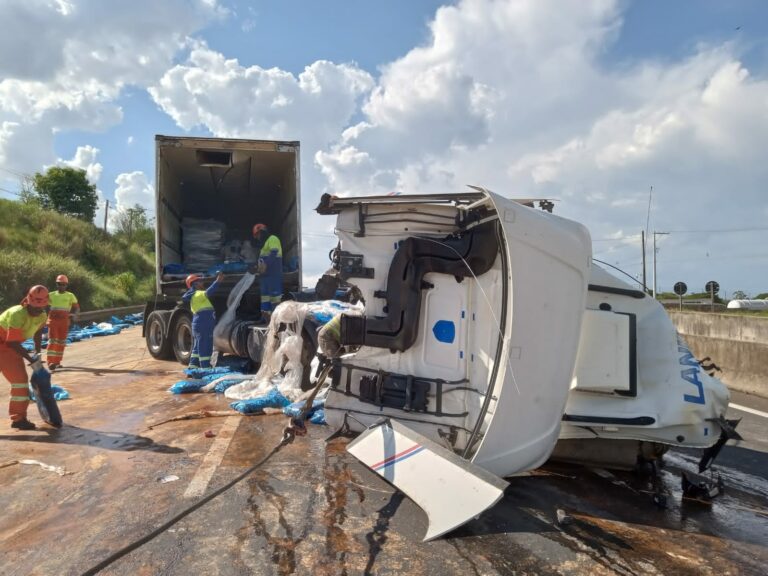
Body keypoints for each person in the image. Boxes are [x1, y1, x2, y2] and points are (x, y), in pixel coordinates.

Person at [0, 286, 49, 430]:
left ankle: (19, 419)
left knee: (20, 383)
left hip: (9, 351)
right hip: (9, 345)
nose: (37, 311)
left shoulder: (42, 316)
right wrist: (30, 359)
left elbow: (38, 334)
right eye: (35, 307)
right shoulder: (17, 314)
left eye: (41, 308)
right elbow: (13, 342)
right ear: (28, 302)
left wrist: (37, 353)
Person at [182, 271, 224, 368]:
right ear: (195, 284)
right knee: (205, 346)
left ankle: (192, 367)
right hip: (203, 324)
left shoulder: (194, 295)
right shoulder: (197, 294)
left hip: (199, 324)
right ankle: (205, 367)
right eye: (200, 281)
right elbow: (209, 292)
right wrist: (218, 281)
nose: (202, 283)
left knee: (197, 346)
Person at [46, 274, 80, 371]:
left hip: (64, 322)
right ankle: (50, 362)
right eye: (59, 284)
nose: (61, 286)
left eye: (63, 284)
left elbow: (76, 307)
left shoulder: (70, 295)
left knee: (61, 342)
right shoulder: (51, 295)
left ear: (66, 285)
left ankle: (57, 362)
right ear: (56, 284)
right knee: (52, 341)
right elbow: (43, 305)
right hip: (53, 321)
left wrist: (76, 315)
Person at [252, 223, 282, 319]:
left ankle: (276, 321)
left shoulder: (273, 238)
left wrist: (265, 264)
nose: (258, 238)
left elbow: (274, 252)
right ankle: (266, 319)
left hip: (273, 274)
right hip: (265, 275)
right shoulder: (264, 245)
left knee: (275, 298)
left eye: (258, 235)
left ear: (262, 232)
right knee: (265, 298)